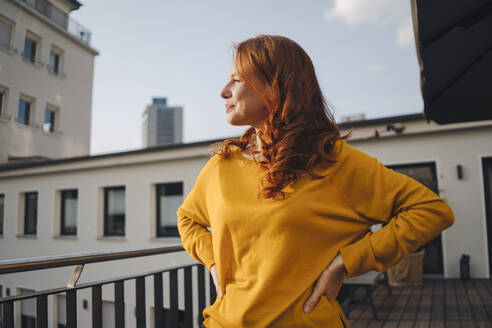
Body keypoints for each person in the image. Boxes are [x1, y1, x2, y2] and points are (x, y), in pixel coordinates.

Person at [177, 34, 454, 328]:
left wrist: (345, 263)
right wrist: (213, 261)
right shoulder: (222, 166)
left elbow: (431, 211)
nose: (223, 91)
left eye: (237, 80)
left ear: (275, 86)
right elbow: (187, 219)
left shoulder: (333, 162)